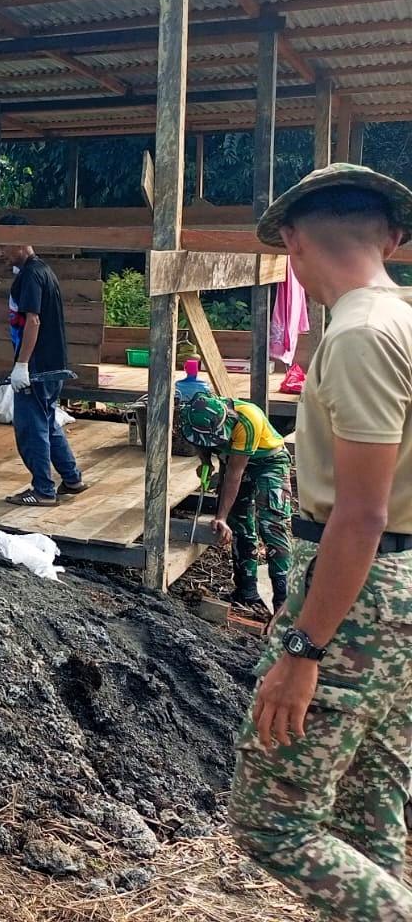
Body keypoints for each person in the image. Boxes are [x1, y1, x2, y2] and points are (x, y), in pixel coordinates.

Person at [228, 163, 412, 920]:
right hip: (395, 587)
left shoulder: (362, 335)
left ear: (292, 241)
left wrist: (304, 649)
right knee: (369, 814)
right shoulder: (399, 320)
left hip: (360, 590)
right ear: (394, 238)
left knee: (273, 818)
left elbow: (360, 514)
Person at [0, 216, 87, 507]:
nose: (0, 251)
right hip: (52, 363)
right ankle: (72, 478)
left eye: (3, 244)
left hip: (36, 366)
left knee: (30, 428)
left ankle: (43, 490)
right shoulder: (41, 271)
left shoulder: (32, 275)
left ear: (19, 240)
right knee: (47, 422)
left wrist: (22, 365)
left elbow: (32, 321)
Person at [177, 392, 294, 621]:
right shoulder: (192, 416)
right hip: (232, 461)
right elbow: (201, 442)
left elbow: (234, 473)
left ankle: (286, 606)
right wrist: (205, 462)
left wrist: (220, 515)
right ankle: (246, 592)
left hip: (269, 462)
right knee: (239, 525)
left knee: (272, 527)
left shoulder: (248, 419)